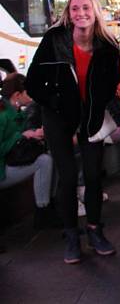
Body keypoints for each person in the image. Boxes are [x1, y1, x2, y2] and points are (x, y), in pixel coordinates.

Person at [26, 0, 120, 263]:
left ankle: (94, 230)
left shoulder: (108, 45)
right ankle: (71, 235)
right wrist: (55, 101)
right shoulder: (54, 40)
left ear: (95, 11)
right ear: (68, 13)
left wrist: (94, 105)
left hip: (91, 117)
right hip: (57, 118)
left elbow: (111, 83)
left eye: (86, 8)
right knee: (67, 177)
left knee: (92, 176)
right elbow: (32, 83)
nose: (81, 13)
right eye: (75, 8)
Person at [0, 73, 56, 229]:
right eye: (28, 92)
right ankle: (43, 212)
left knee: (47, 159)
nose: (31, 95)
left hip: (9, 163)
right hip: (2, 170)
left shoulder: (15, 112)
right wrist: (22, 136)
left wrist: (33, 134)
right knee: (45, 161)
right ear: (17, 95)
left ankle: (44, 210)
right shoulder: (3, 115)